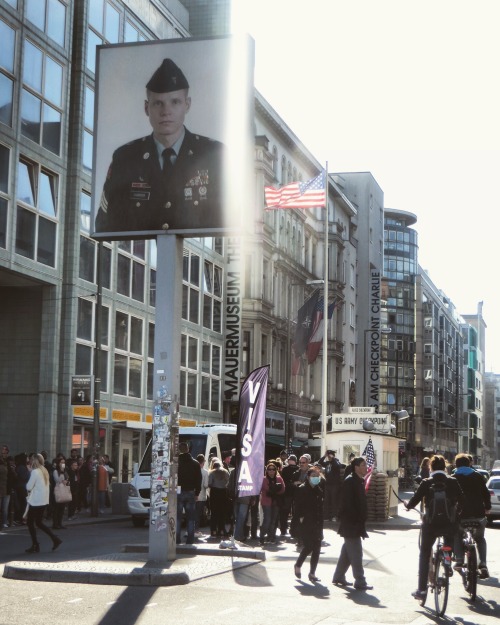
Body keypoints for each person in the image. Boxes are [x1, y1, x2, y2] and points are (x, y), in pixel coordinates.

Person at [95, 58, 225, 234]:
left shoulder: (214, 155)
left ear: (187, 105)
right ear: (147, 108)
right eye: (158, 103)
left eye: (175, 102)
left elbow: (228, 218)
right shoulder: (125, 158)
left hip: (191, 256)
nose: (166, 111)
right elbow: (106, 224)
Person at [405, 454, 465, 600]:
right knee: (448, 542)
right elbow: (463, 500)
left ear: (430, 467)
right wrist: (456, 515)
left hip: (430, 525)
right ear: (445, 467)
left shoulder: (426, 482)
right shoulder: (453, 481)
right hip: (449, 524)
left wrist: (408, 506)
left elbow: (414, 501)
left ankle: (421, 590)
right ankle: (447, 560)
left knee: (424, 553)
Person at [332, 456, 372, 590]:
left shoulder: (358, 481)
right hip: (351, 524)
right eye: (363, 465)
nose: (365, 467)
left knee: (347, 553)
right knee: (356, 554)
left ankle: (338, 576)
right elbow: (346, 504)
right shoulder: (350, 481)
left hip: (355, 524)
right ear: (356, 467)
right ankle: (360, 581)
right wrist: (356, 520)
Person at [452, 453, 491, 578]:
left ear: (456, 464)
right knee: (480, 539)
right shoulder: (478, 476)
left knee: (457, 535)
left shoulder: (453, 478)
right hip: (478, 514)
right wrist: (487, 508)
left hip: (461, 515)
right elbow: (486, 494)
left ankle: (459, 560)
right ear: (469, 464)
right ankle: (483, 564)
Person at [24, 454, 62, 553]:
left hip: (35, 501)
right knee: (38, 522)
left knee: (31, 523)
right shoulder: (44, 470)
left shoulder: (35, 472)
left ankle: (36, 544)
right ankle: (54, 539)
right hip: (43, 501)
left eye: (32, 459)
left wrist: (29, 473)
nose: (30, 461)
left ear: (35, 461)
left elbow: (28, 487)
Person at [294, 466, 325, 582]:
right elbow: (297, 508)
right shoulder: (302, 489)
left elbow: (320, 507)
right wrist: (300, 520)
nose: (316, 478)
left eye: (317, 476)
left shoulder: (319, 489)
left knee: (317, 548)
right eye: (313, 476)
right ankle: (298, 564)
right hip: (306, 522)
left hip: (317, 522)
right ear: (308, 477)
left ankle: (312, 573)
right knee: (309, 546)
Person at [177, 441, 202, 544]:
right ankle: (190, 539)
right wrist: (197, 493)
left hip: (178, 491)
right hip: (191, 492)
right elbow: (198, 479)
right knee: (190, 518)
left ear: (179, 450)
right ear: (188, 449)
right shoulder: (195, 463)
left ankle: (176, 539)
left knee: (177, 518)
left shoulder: (176, 463)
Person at [259, 462, 285, 545]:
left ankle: (271, 536)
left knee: (274, 520)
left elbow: (283, 489)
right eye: (269, 469)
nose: (271, 471)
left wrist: (275, 490)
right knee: (267, 519)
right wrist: (273, 489)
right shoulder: (263, 479)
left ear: (276, 470)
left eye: (273, 469)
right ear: (267, 470)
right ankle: (262, 536)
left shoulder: (279, 478)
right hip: (266, 502)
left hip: (276, 501)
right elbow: (264, 489)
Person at [207, 458, 230, 539]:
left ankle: (213, 530)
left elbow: (209, 484)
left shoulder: (212, 473)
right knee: (222, 512)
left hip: (214, 493)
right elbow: (228, 483)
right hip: (224, 493)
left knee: (214, 512)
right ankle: (221, 530)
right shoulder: (226, 472)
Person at [318, 449, 342, 521]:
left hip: (335, 485)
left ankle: (334, 516)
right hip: (327, 484)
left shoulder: (336, 461)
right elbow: (320, 462)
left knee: (334, 501)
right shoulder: (327, 463)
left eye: (329, 455)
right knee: (326, 501)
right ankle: (326, 516)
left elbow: (337, 466)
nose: (329, 457)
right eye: (328, 456)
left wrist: (333, 458)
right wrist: (324, 456)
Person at [52, 457, 69, 529]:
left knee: (62, 508)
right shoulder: (56, 471)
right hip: (58, 490)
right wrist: (62, 474)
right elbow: (57, 480)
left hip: (64, 490)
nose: (63, 464)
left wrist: (66, 480)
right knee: (57, 508)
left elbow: (68, 479)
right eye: (61, 462)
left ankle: (60, 523)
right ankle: (55, 524)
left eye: (64, 462)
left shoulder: (65, 471)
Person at [194, 453, 209, 536]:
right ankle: (196, 530)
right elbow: (206, 485)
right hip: (201, 495)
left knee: (192, 513)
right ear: (203, 462)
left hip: (192, 495)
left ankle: (190, 530)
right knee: (198, 514)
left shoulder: (192, 470)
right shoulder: (205, 472)